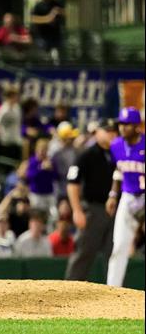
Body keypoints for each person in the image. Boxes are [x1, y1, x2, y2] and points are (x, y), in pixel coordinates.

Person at [65, 119, 118, 280]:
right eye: (106, 130)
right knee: (84, 252)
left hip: (116, 211)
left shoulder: (118, 153)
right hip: (93, 210)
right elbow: (72, 183)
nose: (110, 134)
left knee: (115, 254)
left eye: (113, 131)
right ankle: (70, 289)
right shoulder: (86, 154)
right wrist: (77, 211)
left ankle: (116, 293)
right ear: (97, 132)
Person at [106, 107, 145, 287]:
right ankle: (112, 291)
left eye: (127, 124)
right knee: (119, 245)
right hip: (128, 197)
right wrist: (113, 194)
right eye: (121, 123)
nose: (122, 127)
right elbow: (118, 170)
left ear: (137, 126)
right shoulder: (116, 145)